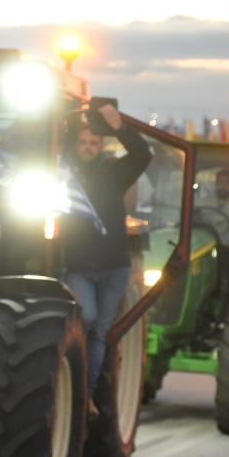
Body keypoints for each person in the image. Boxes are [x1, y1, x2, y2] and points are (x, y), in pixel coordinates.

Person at [61, 103, 152, 415]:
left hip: (114, 267)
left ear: (101, 146)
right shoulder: (63, 174)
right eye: (83, 142)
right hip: (80, 267)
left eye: (94, 143)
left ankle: (85, 396)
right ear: (75, 145)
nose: (88, 147)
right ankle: (73, 388)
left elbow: (143, 155)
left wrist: (119, 128)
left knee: (100, 330)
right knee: (84, 318)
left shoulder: (113, 172)